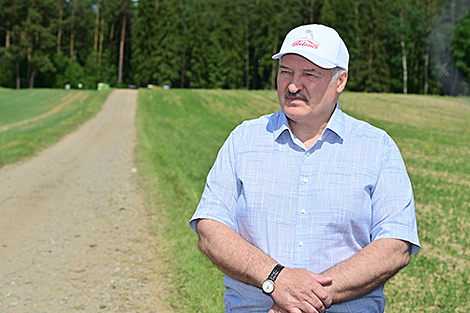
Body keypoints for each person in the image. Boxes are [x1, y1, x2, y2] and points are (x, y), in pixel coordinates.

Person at [189, 24, 420, 313]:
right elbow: (211, 229)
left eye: (309, 74)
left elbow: (395, 245)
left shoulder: (377, 147)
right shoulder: (243, 140)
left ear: (341, 80)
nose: (293, 85)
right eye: (286, 72)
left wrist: (304, 297)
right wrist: (276, 279)